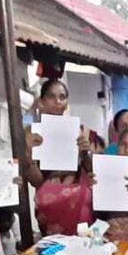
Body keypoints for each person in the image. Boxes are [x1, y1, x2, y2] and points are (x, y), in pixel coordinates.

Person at [23, 78, 95, 236]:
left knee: (82, 244)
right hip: (49, 200)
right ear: (41, 101)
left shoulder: (80, 130)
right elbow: (36, 181)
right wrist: (27, 152)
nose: (57, 101)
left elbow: (91, 171)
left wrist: (86, 151)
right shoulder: (31, 133)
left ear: (67, 102)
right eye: (51, 96)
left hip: (79, 198)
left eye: (62, 97)